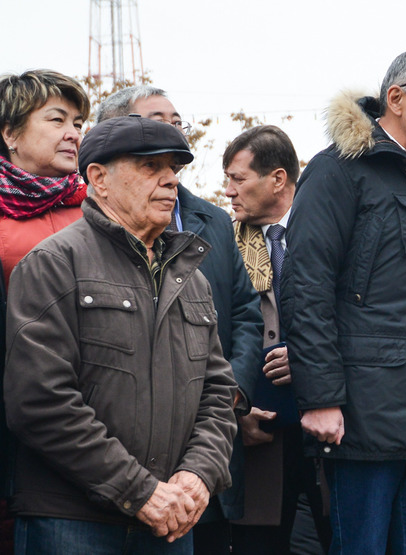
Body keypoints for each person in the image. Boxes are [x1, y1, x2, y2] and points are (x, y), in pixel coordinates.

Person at [4, 115, 238, 554]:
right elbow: (39, 400)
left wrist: (199, 474)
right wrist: (140, 491)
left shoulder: (192, 279)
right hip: (72, 522)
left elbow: (218, 392)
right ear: (99, 178)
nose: (170, 180)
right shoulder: (54, 262)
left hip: (170, 521)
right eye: (151, 166)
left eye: (174, 168)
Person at [281, 48, 406, 554]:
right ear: (397, 97)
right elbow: (305, 287)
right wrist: (320, 398)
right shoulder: (337, 171)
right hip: (362, 420)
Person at [98, 86, 263, 553]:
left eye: (177, 121)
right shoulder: (78, 239)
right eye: (157, 120)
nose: (172, 129)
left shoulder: (213, 220)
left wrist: (232, 395)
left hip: (209, 445)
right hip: (122, 464)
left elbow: (245, 313)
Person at [222, 125, 330, 554]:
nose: (228, 191)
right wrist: (235, 413)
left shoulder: (330, 230)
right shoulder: (221, 243)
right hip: (259, 433)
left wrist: (306, 358)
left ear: (278, 179)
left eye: (238, 178)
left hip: (330, 425)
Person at [0, 69, 91, 552]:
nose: (72, 133)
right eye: (57, 120)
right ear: (10, 134)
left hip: (88, 417)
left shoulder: (99, 209)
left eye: (77, 122)